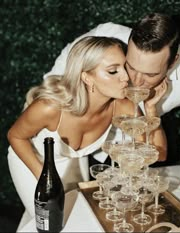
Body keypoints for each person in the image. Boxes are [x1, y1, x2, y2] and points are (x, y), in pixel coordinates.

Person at [43, 13, 180, 194]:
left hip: (133, 153)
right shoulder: (107, 35)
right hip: (75, 141)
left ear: (173, 62)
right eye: (130, 67)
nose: (137, 81)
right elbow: (57, 74)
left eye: (150, 74)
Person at [7, 36, 167, 229]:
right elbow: (15, 136)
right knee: (53, 222)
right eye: (113, 71)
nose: (126, 77)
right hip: (33, 160)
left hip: (74, 161)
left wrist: (151, 109)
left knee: (78, 215)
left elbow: (158, 153)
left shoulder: (122, 105)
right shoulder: (50, 108)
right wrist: (46, 178)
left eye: (126, 68)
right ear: (86, 77)